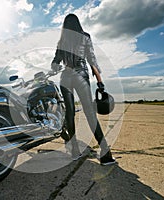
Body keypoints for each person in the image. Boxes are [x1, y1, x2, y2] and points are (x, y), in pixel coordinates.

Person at [51, 13, 116, 165]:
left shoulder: (62, 40)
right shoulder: (85, 36)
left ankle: (74, 151)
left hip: (65, 76)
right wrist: (100, 82)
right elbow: (92, 60)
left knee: (70, 112)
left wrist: (56, 67)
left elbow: (55, 62)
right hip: (80, 75)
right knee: (90, 114)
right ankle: (105, 153)